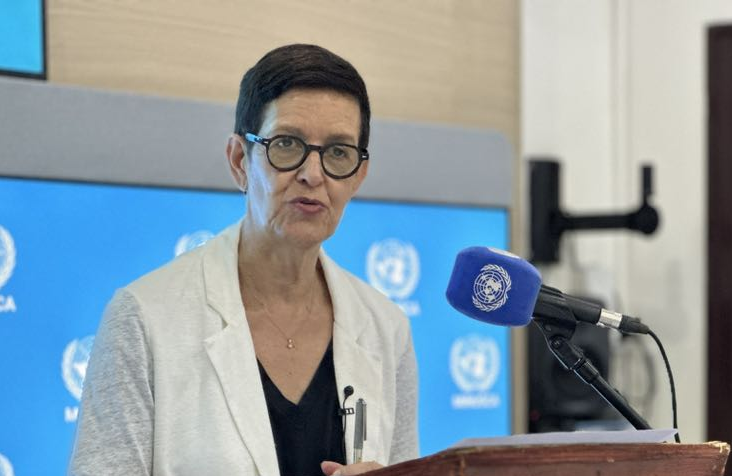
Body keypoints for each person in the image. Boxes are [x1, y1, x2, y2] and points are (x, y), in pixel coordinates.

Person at [67, 44, 419, 476]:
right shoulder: (143, 319)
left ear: (358, 176)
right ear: (239, 161)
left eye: (338, 152)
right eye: (286, 144)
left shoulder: (387, 329)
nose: (313, 174)